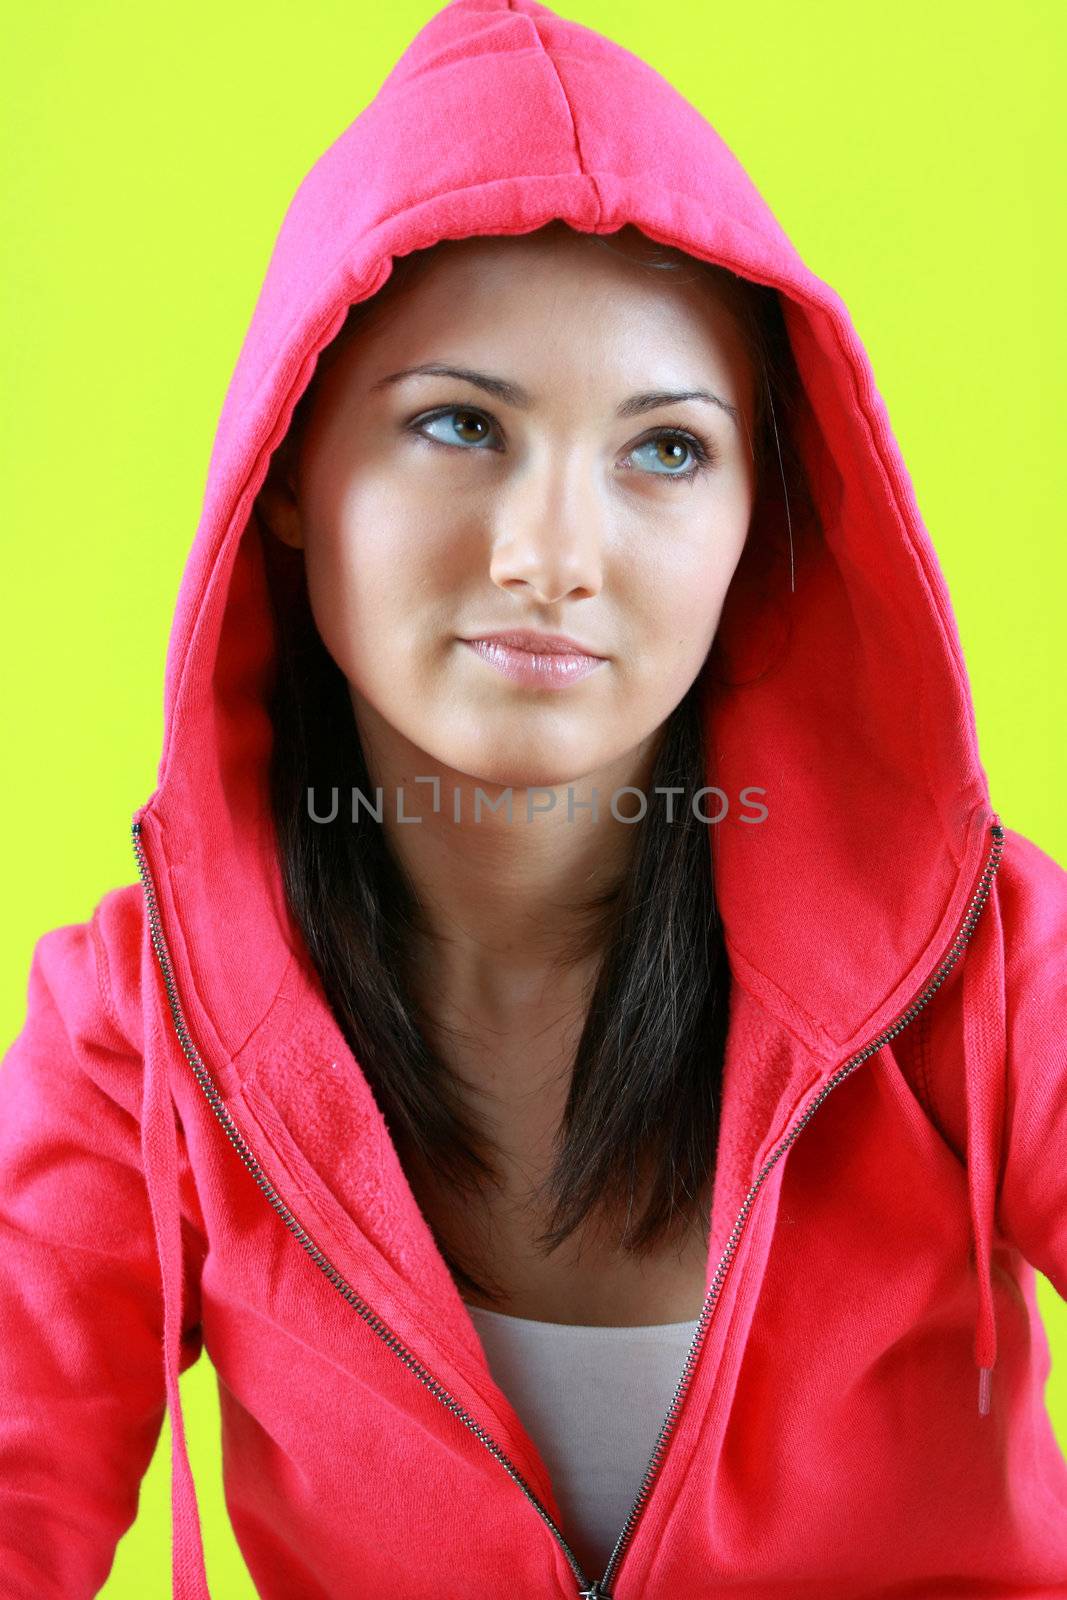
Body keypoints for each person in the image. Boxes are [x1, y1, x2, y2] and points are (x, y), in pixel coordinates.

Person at [1, 0, 1065, 1596]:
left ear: (759, 513)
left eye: (667, 453)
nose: (553, 555)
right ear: (290, 472)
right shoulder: (135, 1033)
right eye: (459, 424)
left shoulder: (982, 971)